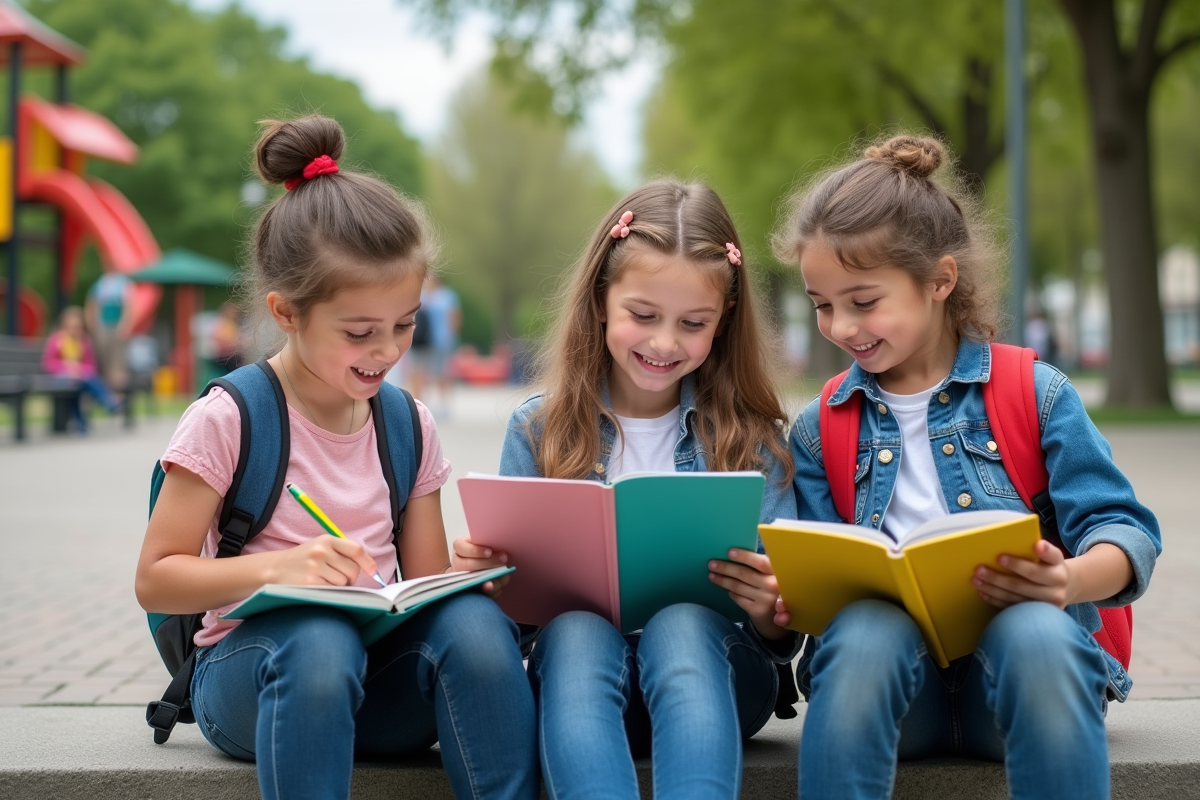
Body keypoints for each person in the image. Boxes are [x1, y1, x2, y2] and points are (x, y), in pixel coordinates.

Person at [134, 115, 537, 800]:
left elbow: (426, 588)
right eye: (359, 332)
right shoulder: (230, 417)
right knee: (319, 640)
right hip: (251, 679)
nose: (387, 350)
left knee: (473, 627)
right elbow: (156, 579)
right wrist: (284, 567)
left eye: (405, 324)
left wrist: (480, 580)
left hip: (375, 682)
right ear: (286, 314)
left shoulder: (407, 423)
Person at [775, 135, 1162, 800]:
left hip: (1017, 687)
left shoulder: (1035, 393)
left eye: (863, 301)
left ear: (940, 281)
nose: (839, 325)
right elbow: (812, 586)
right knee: (864, 630)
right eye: (822, 303)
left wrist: (1066, 580)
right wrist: (783, 595)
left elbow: (1125, 529)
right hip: (896, 697)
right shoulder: (818, 427)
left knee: (1036, 629)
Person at [487, 179, 798, 799]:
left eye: (693, 323)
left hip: (719, 679)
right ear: (602, 300)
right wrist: (495, 581)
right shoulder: (538, 428)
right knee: (574, 630)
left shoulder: (751, 441)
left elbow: (781, 632)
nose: (663, 343)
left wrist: (772, 607)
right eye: (643, 315)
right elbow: (513, 624)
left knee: (682, 622)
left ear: (723, 322)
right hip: (582, 683)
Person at [41, 305, 123, 432]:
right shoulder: (57, 340)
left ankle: (82, 423)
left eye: (78, 327)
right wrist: (68, 368)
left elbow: (91, 366)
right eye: (72, 326)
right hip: (59, 377)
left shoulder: (84, 341)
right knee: (80, 381)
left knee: (80, 383)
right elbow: (48, 364)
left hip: (80, 378)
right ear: (64, 325)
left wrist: (79, 370)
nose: (75, 330)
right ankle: (107, 400)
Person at [407, 274, 461, 415]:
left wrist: (451, 336)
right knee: (417, 372)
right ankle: (418, 403)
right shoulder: (422, 295)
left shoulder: (447, 296)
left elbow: (454, 317)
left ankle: (443, 404)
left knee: (440, 372)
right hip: (421, 341)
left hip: (441, 341)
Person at [85, 269, 134, 387]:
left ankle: (117, 390)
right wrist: (92, 326)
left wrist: (125, 326)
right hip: (102, 327)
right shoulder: (100, 284)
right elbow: (91, 305)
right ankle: (105, 390)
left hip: (117, 328)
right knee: (101, 360)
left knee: (117, 361)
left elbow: (129, 307)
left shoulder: (123, 284)